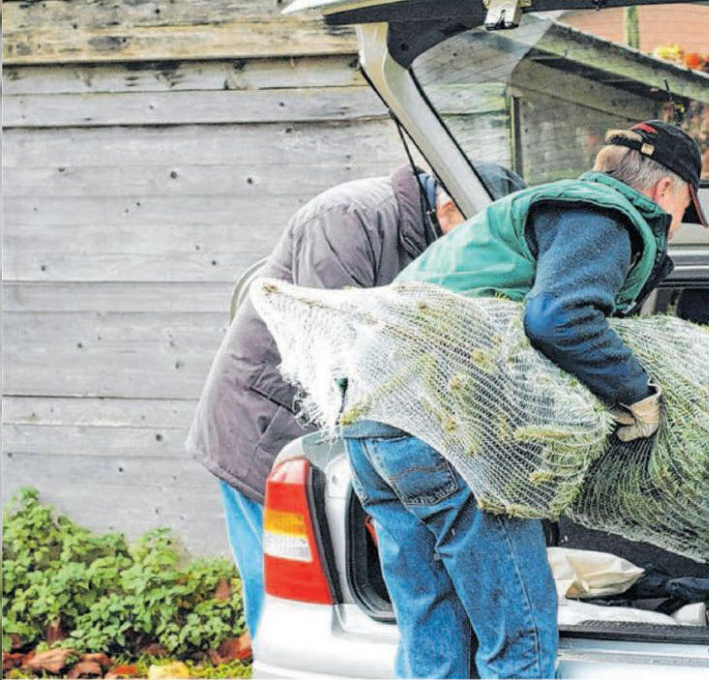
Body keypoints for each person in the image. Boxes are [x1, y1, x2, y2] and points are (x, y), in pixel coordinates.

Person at [342, 120, 709, 679]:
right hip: (446, 428)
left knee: (431, 633)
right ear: (664, 192)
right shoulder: (603, 215)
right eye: (685, 210)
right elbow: (558, 316)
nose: (676, 227)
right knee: (520, 640)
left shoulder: (542, 212)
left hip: (373, 418)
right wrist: (636, 393)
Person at [186, 162, 527, 639]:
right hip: (266, 426)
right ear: (450, 207)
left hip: (337, 431)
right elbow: (331, 344)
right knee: (287, 591)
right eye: (482, 234)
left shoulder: (429, 232)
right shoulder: (346, 218)